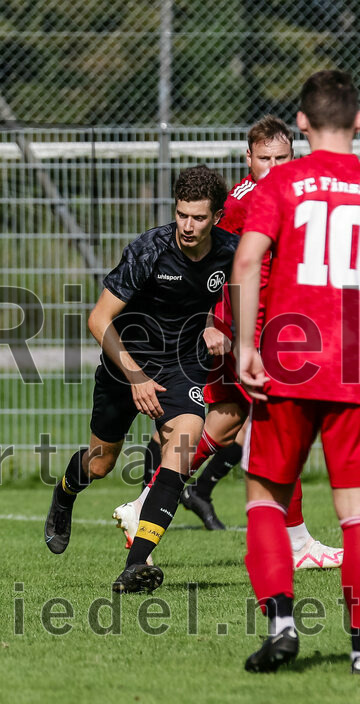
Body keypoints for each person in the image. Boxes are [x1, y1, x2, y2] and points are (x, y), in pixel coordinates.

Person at [112, 117, 343, 570]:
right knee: (280, 421)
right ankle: (296, 542)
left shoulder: (291, 192)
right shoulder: (240, 203)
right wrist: (214, 323)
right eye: (265, 158)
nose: (274, 166)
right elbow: (218, 267)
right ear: (248, 158)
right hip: (247, 332)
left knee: (228, 420)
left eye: (282, 158)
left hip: (274, 327)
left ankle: (145, 502)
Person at [43, 165, 238, 593]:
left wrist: (216, 324)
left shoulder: (230, 251)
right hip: (124, 366)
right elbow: (98, 319)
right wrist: (135, 377)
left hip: (181, 365)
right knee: (100, 464)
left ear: (217, 217)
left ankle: (135, 567)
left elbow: (235, 298)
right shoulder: (149, 251)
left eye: (198, 217)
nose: (188, 226)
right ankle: (64, 493)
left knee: (182, 448)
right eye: (182, 214)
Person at [232, 69, 360, 673]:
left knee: (265, 494)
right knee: (354, 511)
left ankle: (282, 625)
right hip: (353, 361)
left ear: (302, 122)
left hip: (289, 358)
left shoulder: (281, 182)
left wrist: (244, 347)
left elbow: (247, 261)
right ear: (357, 121)